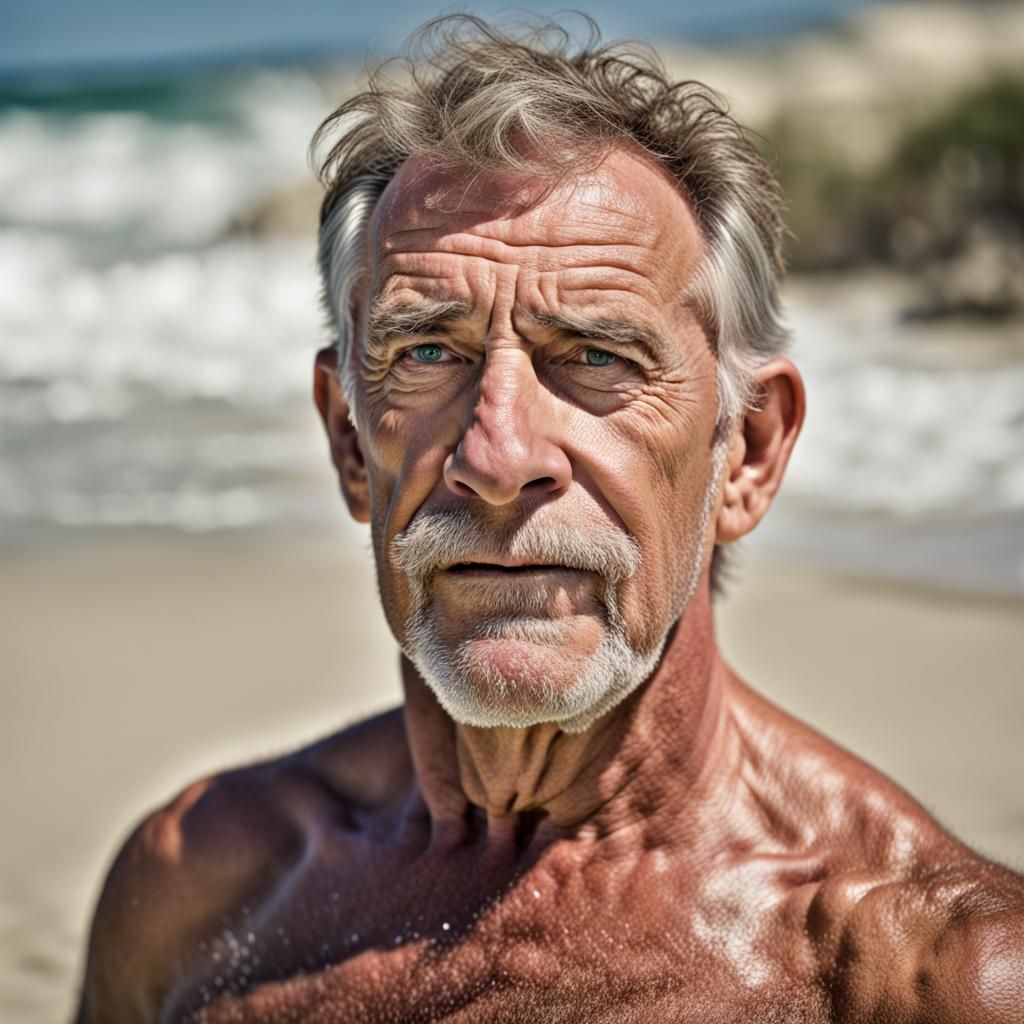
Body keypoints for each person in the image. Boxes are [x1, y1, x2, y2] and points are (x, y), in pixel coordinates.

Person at [75, 17, 1023, 1023]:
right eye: (427, 354)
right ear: (349, 442)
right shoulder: (202, 889)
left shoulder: (927, 980)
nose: (496, 458)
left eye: (597, 357)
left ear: (744, 450)